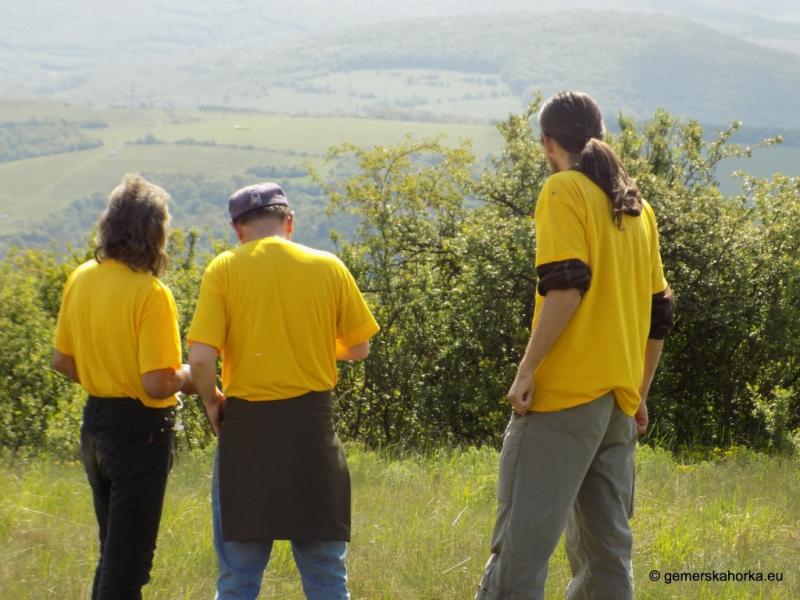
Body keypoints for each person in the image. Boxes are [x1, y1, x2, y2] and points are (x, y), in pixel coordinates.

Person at [475, 91, 676, 600]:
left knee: (521, 550)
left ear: (547, 143)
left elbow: (566, 288)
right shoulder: (637, 208)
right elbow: (660, 313)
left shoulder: (562, 190)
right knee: (606, 557)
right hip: (616, 405)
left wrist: (526, 371)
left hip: (564, 400)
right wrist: (638, 391)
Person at [187, 182, 379, 600]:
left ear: (238, 230)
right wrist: (304, 343)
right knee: (327, 580)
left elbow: (201, 359)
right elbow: (359, 346)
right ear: (289, 222)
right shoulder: (329, 266)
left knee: (237, 582)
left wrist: (211, 402)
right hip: (311, 436)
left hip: (246, 438)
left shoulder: (223, 269)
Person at [52, 174, 195, 600]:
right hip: (140, 431)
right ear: (154, 232)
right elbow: (157, 383)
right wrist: (193, 376)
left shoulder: (81, 277)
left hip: (94, 424)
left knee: (113, 554)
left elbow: (63, 361)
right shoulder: (151, 293)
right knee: (127, 566)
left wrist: (107, 376)